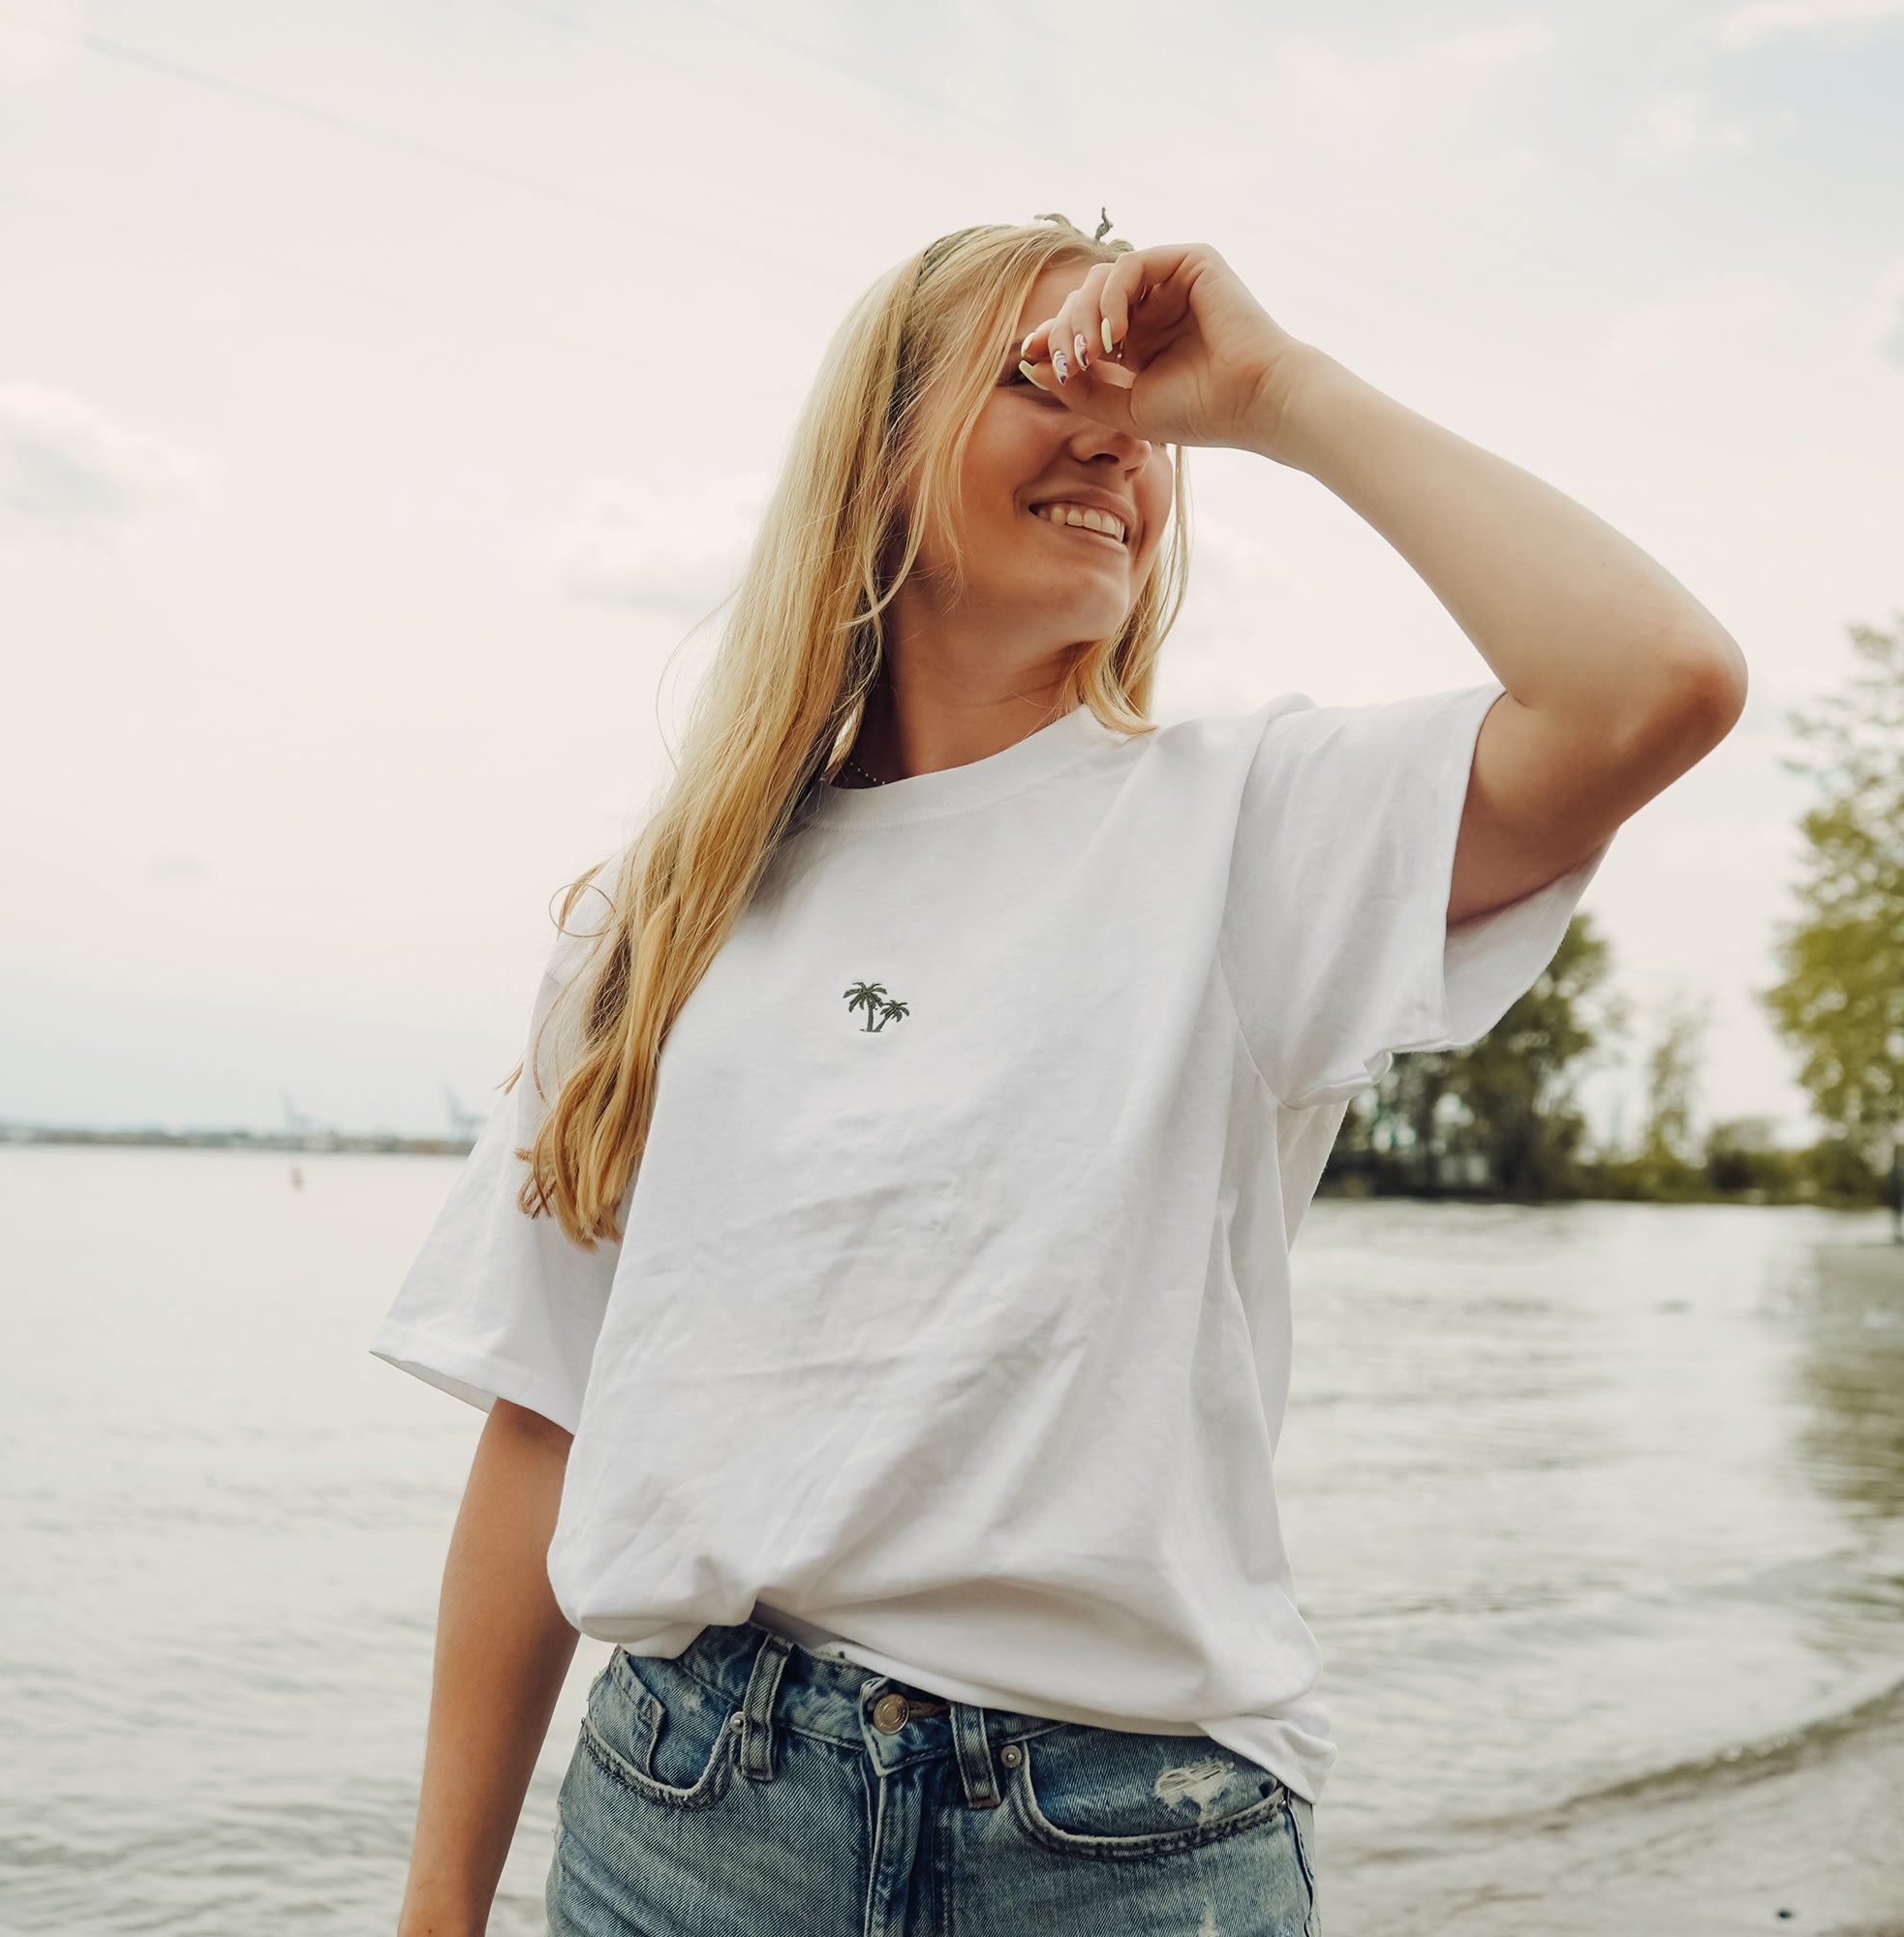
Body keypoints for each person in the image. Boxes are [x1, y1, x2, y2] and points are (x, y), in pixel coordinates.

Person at [371, 215, 1746, 1936]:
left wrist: (1276, 390)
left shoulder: (1247, 830)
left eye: (1151, 416)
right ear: (877, 458)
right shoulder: (665, 917)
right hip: (685, 1820)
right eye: (1046, 376)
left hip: (1117, 1851)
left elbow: (1658, 686)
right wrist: (438, 1911)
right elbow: (543, 1422)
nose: (1121, 435)